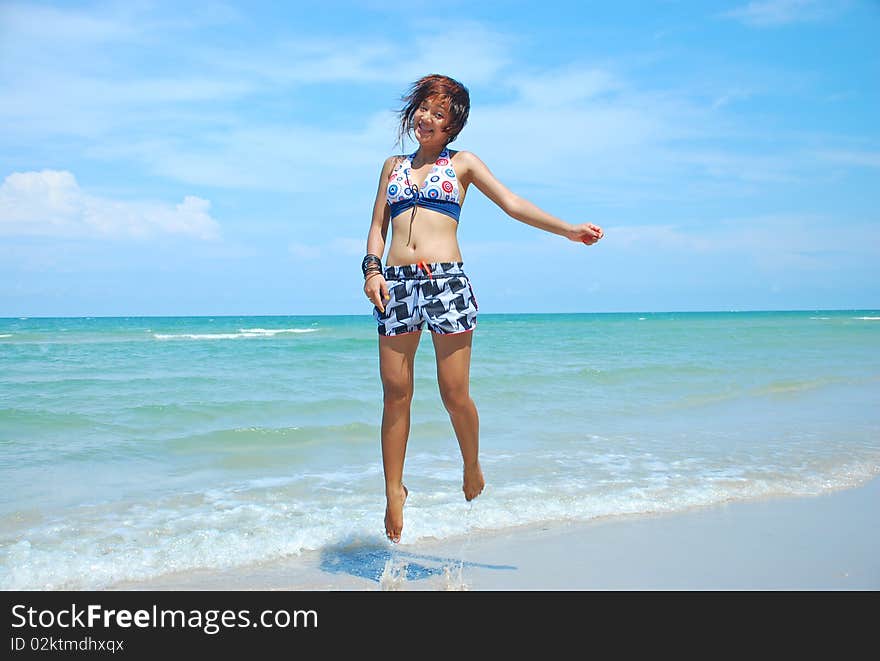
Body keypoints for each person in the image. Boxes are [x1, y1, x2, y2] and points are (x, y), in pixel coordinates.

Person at [362, 74, 604, 543]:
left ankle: (471, 463)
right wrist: (372, 271)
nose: (427, 119)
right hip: (395, 284)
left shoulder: (463, 164)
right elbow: (377, 226)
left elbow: (512, 204)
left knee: (453, 393)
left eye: (439, 114)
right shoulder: (391, 166)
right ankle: (394, 490)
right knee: (395, 392)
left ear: (452, 126)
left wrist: (569, 230)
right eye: (424, 109)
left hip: (447, 283)